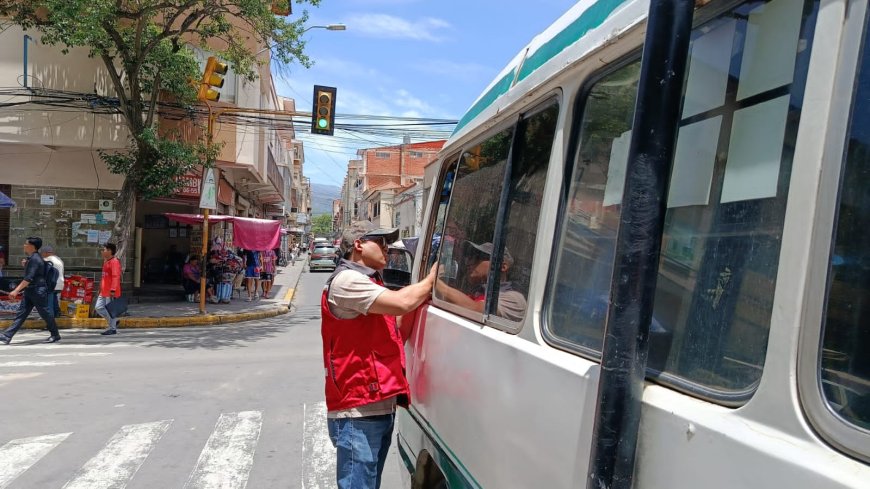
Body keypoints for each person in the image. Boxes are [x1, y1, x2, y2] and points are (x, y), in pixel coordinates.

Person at [321, 227, 435, 489]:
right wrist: (432, 278)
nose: (387, 247)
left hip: (377, 406)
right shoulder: (348, 280)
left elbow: (396, 332)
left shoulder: (372, 282)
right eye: (381, 241)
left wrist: (420, 300)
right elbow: (401, 303)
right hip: (358, 411)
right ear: (358, 244)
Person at [434, 241, 527, 322]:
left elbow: (476, 310)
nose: (468, 262)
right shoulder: (479, 289)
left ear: (502, 266)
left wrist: (434, 281)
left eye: (477, 257)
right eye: (469, 257)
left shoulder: (514, 298)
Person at [0, 236, 62, 344]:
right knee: (21, 314)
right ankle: (7, 335)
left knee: (45, 313)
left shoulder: (35, 259)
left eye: (26, 244)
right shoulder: (32, 258)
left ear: (32, 246)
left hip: (37, 291)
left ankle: (55, 334)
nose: (24, 245)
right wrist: (26, 265)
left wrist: (16, 290)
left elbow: (28, 278)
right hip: (31, 290)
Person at [95, 242, 122, 336]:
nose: (102, 251)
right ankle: (114, 321)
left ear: (110, 251)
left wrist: (113, 290)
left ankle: (112, 328)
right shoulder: (106, 261)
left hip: (110, 291)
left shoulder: (114, 262)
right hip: (104, 290)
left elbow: (116, 276)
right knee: (98, 308)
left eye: (104, 250)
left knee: (110, 310)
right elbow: (104, 277)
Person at [41, 245, 65, 317]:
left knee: (49, 302)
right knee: (54, 298)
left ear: (45, 253)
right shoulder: (59, 259)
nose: (42, 255)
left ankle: (50, 318)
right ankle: (57, 314)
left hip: (51, 284)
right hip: (60, 283)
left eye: (42, 253)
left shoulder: (47, 260)